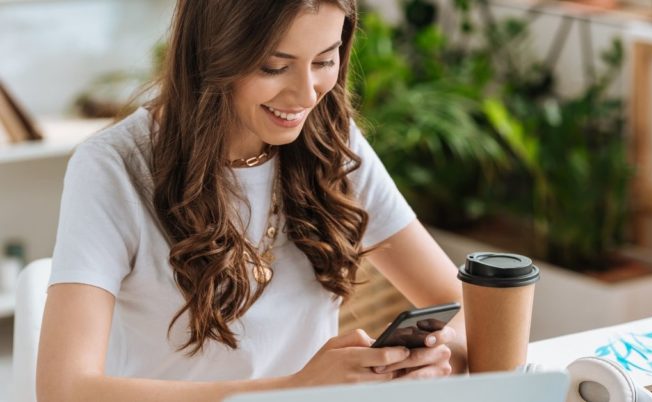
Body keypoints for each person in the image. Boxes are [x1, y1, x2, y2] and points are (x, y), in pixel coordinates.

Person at [36, 1, 467, 401]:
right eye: (274, 66)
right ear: (213, 52)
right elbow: (63, 389)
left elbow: (463, 304)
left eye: (324, 60)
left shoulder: (329, 143)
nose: (305, 95)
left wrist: (431, 358)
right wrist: (292, 390)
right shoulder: (114, 168)